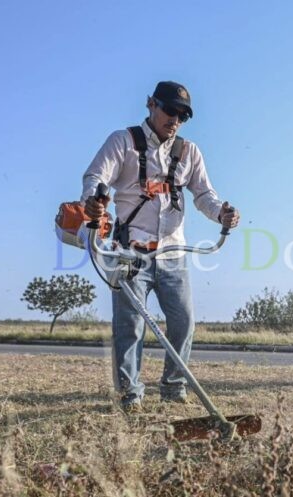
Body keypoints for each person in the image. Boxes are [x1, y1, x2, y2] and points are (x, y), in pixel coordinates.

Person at [82, 81, 240, 412]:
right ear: (151, 104)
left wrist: (222, 214)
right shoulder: (122, 142)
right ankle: (130, 395)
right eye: (170, 110)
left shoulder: (189, 152)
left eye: (183, 115)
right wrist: (94, 203)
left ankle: (173, 388)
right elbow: (95, 177)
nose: (175, 119)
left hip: (173, 254)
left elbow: (204, 195)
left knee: (183, 322)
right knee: (130, 327)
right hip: (130, 253)